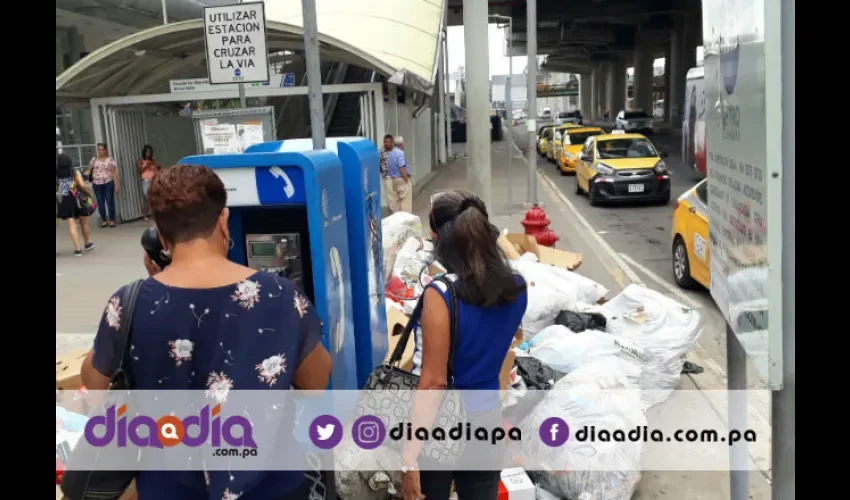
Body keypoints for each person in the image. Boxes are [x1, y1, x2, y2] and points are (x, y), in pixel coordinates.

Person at [80, 164, 333, 499]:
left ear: (159, 233)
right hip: (270, 485)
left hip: (167, 488)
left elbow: (96, 385)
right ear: (223, 220)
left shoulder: (129, 302)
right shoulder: (280, 295)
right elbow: (316, 384)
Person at [401, 190, 528, 500]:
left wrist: (408, 458)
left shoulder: (441, 294)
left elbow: (433, 384)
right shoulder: (516, 288)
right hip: (486, 418)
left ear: (438, 237)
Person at [56, 153, 95, 256]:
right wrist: (88, 193)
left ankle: (77, 250)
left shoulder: (57, 174)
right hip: (78, 199)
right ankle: (87, 244)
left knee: (72, 225)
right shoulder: (74, 172)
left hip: (66, 200)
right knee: (84, 223)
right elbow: (82, 185)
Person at [88, 143, 119, 228]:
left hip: (108, 183)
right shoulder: (94, 160)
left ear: (105, 150)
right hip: (97, 184)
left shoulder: (110, 160)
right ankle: (103, 220)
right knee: (100, 202)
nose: (100, 151)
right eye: (98, 150)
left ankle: (112, 220)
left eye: (102, 149)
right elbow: (89, 171)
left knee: (110, 201)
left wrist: (116, 185)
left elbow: (114, 173)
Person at [387, 136, 412, 213]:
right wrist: (406, 180)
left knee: (396, 202)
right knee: (405, 202)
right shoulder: (400, 153)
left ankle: (397, 219)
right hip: (401, 179)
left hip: (394, 180)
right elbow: (402, 168)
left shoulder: (390, 153)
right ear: (401, 144)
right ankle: (406, 220)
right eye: (403, 143)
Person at [137, 144, 161, 221]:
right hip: (145, 180)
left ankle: (154, 213)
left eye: (150, 152)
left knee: (154, 197)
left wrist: (156, 165)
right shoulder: (141, 161)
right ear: (144, 152)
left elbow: (159, 168)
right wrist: (147, 165)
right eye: (147, 152)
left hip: (153, 180)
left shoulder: (153, 161)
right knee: (146, 197)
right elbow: (140, 171)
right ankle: (145, 214)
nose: (148, 154)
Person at [380, 134, 394, 202]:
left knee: (396, 196)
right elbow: (378, 164)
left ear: (392, 142)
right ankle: (394, 211)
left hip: (397, 177)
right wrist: (383, 172)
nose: (387, 143)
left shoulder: (396, 152)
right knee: (391, 197)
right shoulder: (380, 152)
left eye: (389, 142)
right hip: (388, 177)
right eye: (385, 142)